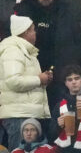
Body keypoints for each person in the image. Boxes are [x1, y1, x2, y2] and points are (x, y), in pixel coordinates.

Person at [0, 15, 52, 151]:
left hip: (25, 112)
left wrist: (43, 80)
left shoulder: (26, 52)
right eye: (33, 30)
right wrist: (39, 79)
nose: (35, 33)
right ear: (25, 32)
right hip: (18, 115)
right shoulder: (13, 51)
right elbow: (13, 81)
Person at [52, 65, 81, 152]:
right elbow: (51, 135)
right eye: (70, 79)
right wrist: (58, 125)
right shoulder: (59, 106)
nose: (74, 82)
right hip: (67, 149)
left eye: (76, 78)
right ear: (65, 83)